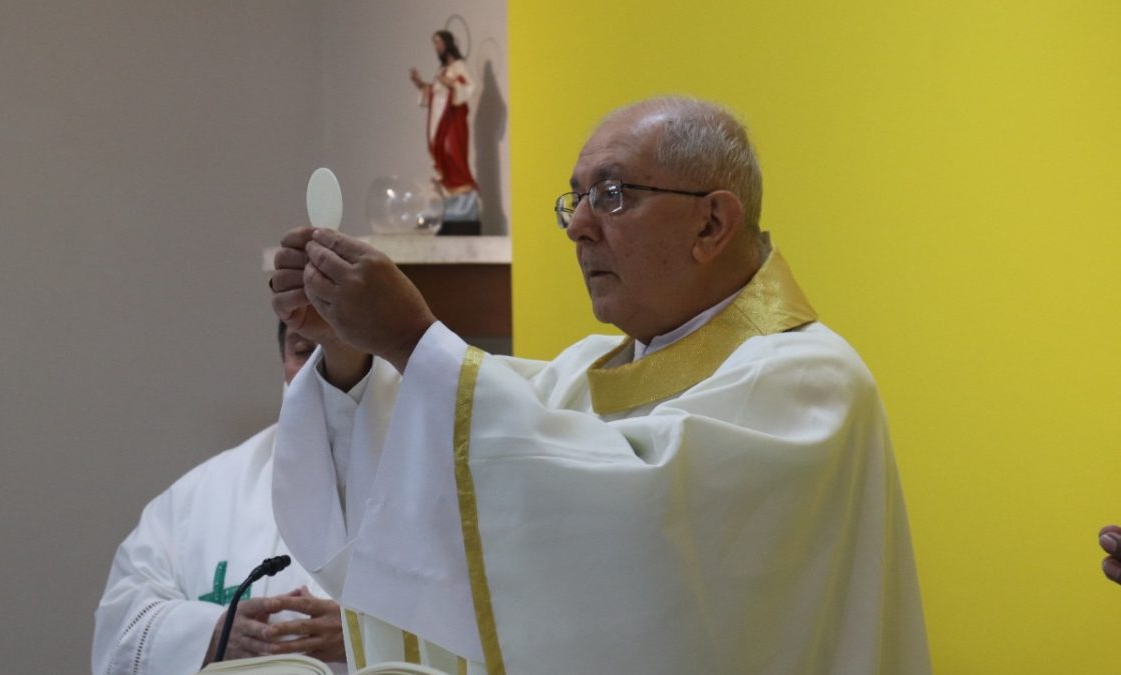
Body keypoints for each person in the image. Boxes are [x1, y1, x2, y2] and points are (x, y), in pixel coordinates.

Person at [269, 96, 931, 674]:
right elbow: (446, 473)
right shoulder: (582, 375)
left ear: (712, 223)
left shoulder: (811, 383)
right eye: (576, 199)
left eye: (612, 196)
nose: (580, 226)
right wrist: (351, 354)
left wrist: (413, 338)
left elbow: (641, 525)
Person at [92, 323, 346, 675]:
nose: (319, 366)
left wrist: (358, 638)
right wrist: (211, 635)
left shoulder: (437, 484)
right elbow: (121, 623)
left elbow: (450, 617)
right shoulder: (200, 496)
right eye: (302, 351)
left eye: (342, 347)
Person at [409, 30, 479, 228]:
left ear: (448, 44)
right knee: (442, 157)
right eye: (435, 44)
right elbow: (435, 92)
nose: (436, 48)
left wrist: (450, 83)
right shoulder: (442, 70)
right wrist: (420, 83)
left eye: (439, 43)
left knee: (453, 155)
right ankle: (449, 196)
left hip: (453, 121)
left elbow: (467, 87)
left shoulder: (458, 66)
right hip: (439, 121)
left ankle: (463, 199)